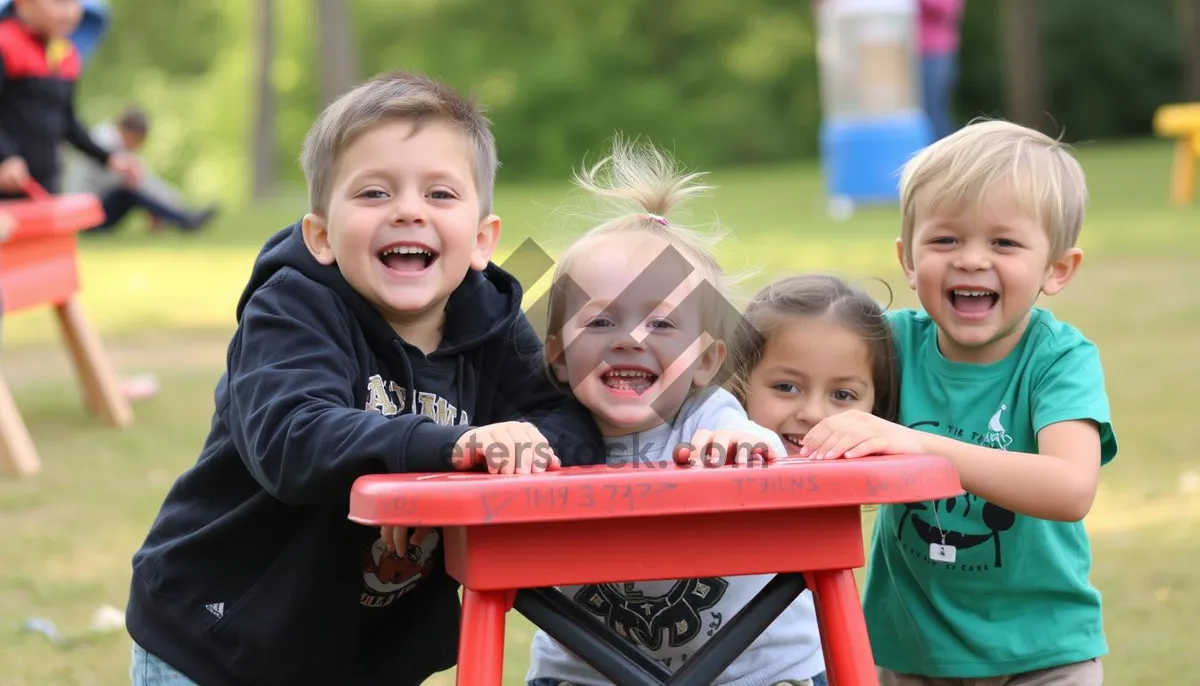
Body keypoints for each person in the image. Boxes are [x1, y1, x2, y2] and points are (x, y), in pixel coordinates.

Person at [124, 70, 606, 686]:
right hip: (220, 640)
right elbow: (293, 439)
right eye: (374, 193)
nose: (408, 210)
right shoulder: (292, 310)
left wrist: (518, 446)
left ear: (483, 239)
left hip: (367, 653)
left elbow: (567, 423)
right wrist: (458, 446)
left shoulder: (491, 322)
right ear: (321, 235)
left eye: (440, 194)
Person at [798, 119, 1117, 685]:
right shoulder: (887, 345)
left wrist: (919, 445)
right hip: (907, 650)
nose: (971, 259)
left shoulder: (1058, 360)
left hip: (1043, 654)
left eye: (1004, 242)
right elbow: (798, 401)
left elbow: (1070, 488)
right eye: (945, 240)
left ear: (1057, 269)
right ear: (907, 257)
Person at [525, 137, 828, 686]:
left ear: (707, 359)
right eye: (599, 322)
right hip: (584, 673)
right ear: (558, 358)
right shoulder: (542, 433)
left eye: (662, 324)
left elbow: (745, 434)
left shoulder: (708, 418)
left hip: (756, 673)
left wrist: (744, 445)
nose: (631, 339)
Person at [0, 0, 139, 197]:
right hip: (6, 184)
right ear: (22, 3)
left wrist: (108, 158)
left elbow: (66, 120)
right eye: (60, 2)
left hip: (43, 184)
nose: (70, 12)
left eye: (75, 2)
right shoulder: (4, 43)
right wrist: (4, 158)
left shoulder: (65, 54)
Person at [64, 104, 220, 233]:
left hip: (99, 209)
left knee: (133, 191)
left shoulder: (119, 147)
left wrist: (169, 201)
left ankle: (183, 217)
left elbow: (145, 179)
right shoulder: (105, 142)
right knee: (129, 192)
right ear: (128, 131)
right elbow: (134, 182)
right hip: (86, 217)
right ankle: (185, 221)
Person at [918, 0, 965, 141]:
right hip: (904, 52)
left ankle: (945, 160)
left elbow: (947, 9)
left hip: (934, 53)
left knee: (933, 115)